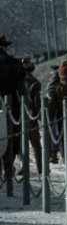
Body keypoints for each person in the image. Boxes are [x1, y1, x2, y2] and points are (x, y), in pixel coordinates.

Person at [0, 34, 25, 181]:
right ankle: (8, 167)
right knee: (10, 136)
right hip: (11, 106)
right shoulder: (14, 63)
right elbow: (21, 89)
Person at [21, 58, 43, 174]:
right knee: (36, 145)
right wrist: (40, 118)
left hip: (18, 117)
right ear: (32, 70)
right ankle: (40, 168)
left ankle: (21, 166)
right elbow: (36, 104)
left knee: (18, 144)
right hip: (31, 118)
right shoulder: (35, 83)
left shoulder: (16, 82)